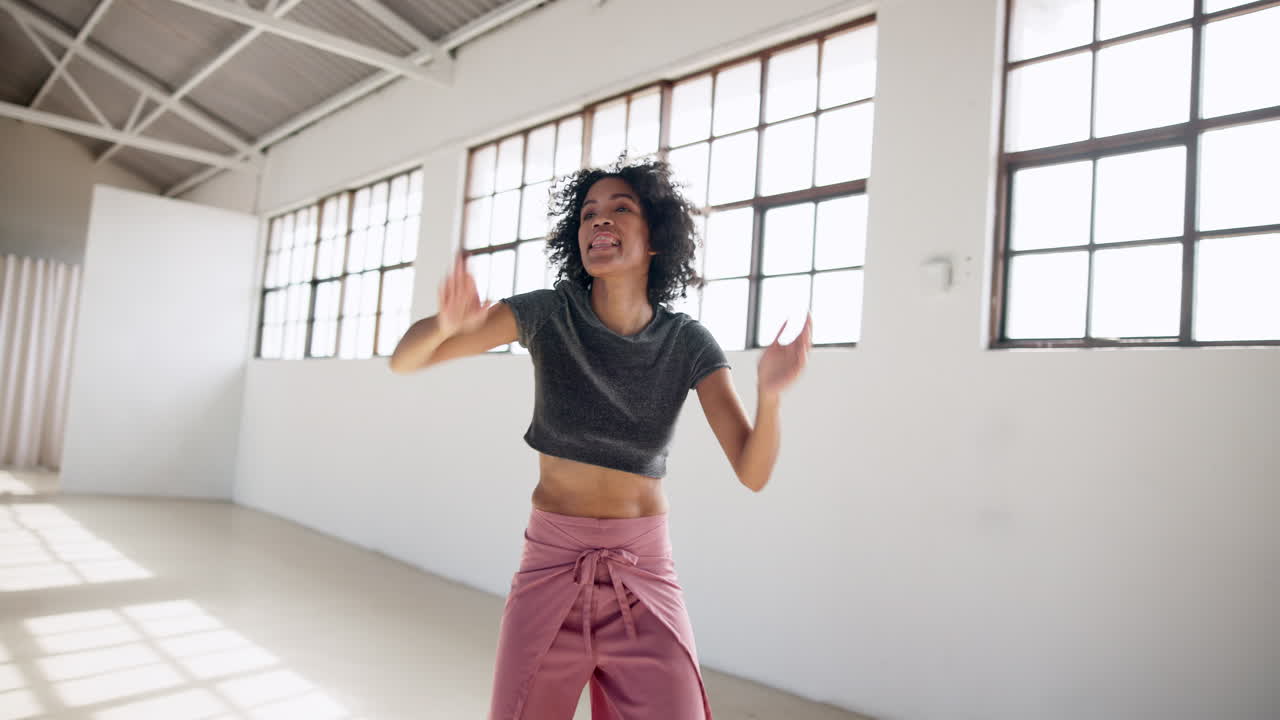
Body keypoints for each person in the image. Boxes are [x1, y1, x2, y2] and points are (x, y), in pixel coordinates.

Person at [390, 158, 812, 719]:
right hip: (550, 570)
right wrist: (447, 323)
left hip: (645, 576)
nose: (599, 222)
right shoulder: (547, 313)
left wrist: (772, 395)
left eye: (619, 209)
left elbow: (752, 472)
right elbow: (406, 361)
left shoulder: (689, 343)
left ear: (656, 238)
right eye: (588, 214)